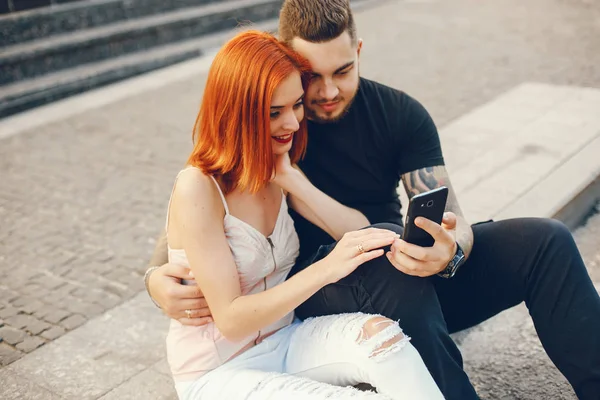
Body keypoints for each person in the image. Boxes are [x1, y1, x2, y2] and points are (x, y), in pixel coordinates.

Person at [145, 1, 600, 399]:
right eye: (310, 77)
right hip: (315, 292)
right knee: (383, 252)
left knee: (545, 240)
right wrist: (153, 280)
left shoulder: (400, 115)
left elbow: (450, 217)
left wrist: (450, 251)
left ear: (358, 53)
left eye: (342, 71)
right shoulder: (273, 124)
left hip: (399, 267)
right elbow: (195, 221)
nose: (324, 93)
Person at [161, 29, 443, 399]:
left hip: (287, 339)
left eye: (296, 105)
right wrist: (327, 268)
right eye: (274, 112)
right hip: (217, 370)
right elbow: (230, 320)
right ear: (237, 113)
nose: (293, 123)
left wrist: (292, 178)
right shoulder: (198, 187)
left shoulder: (279, 167)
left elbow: (360, 231)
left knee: (383, 338)